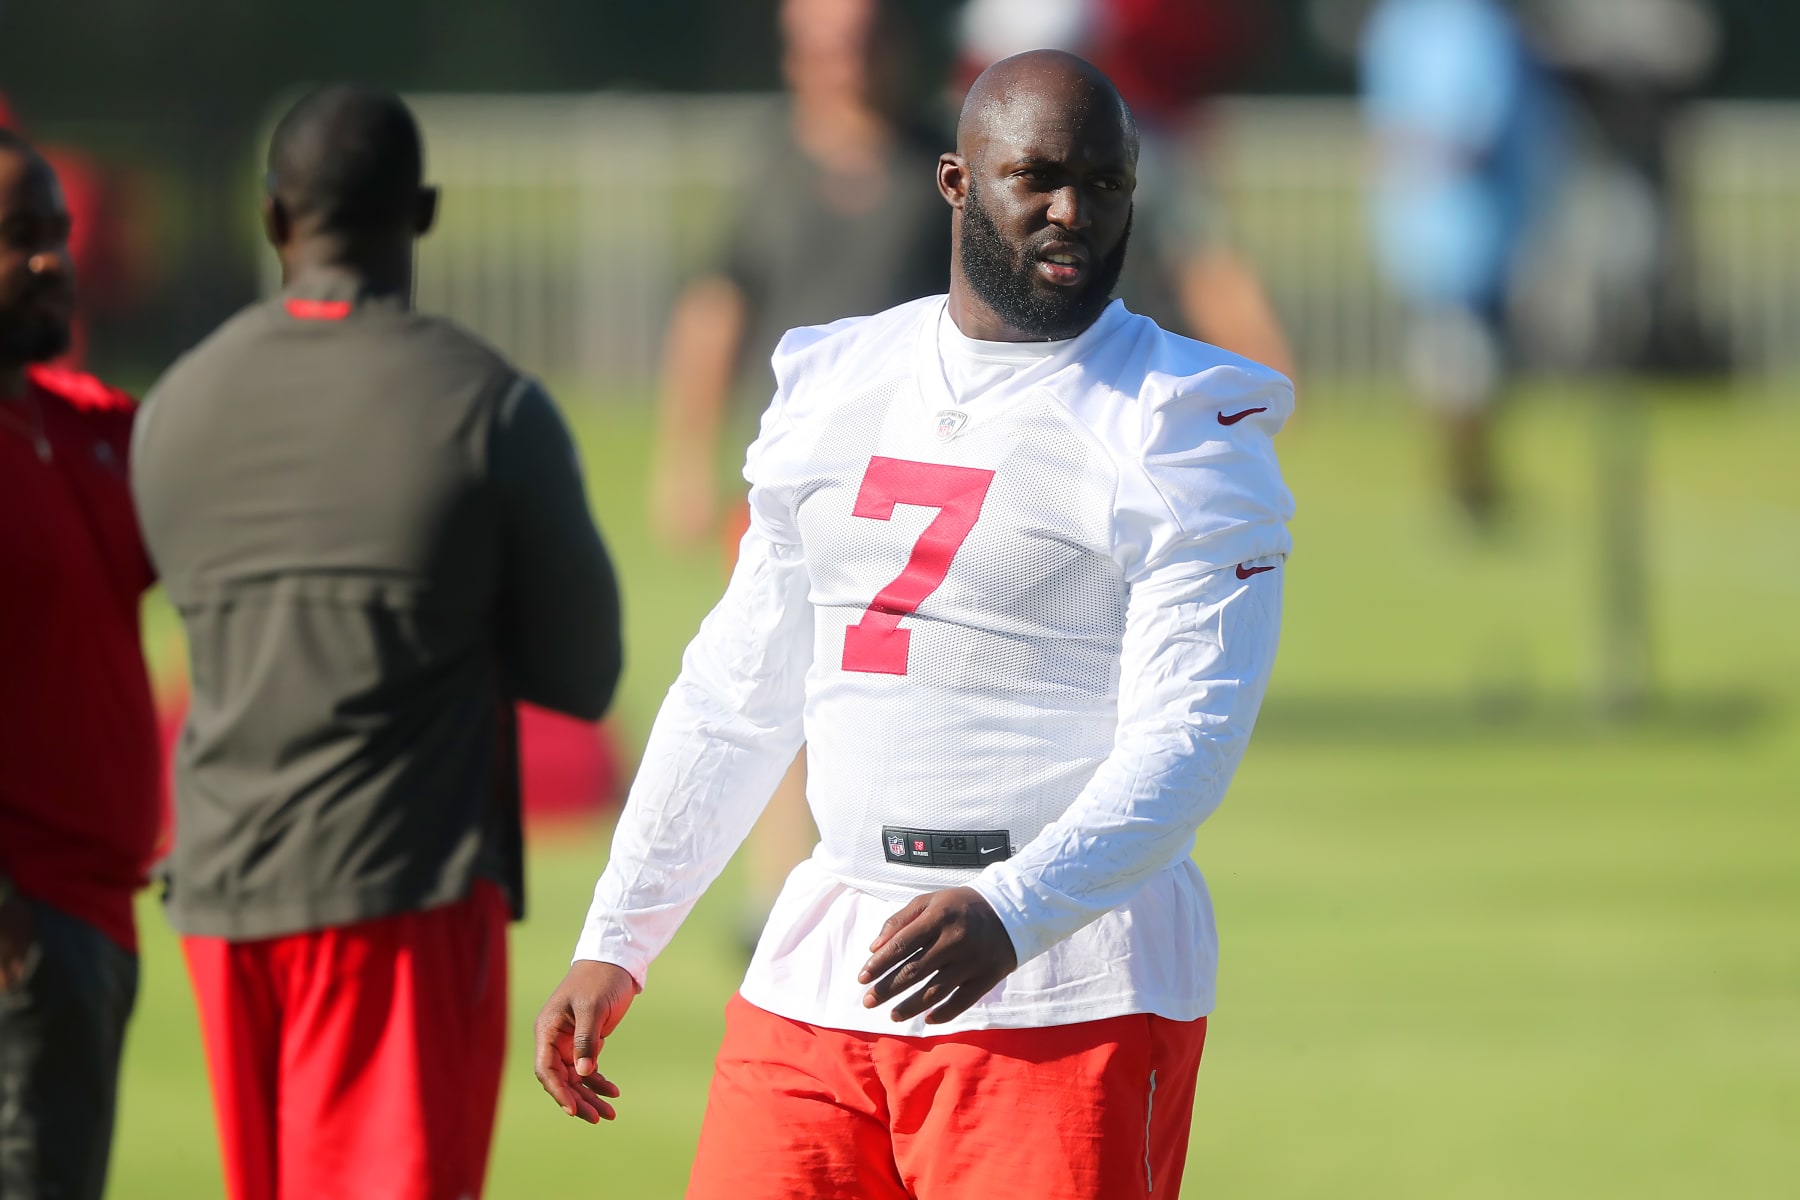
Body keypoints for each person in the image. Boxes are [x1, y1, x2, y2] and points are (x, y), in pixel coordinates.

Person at [536, 51, 1293, 1198]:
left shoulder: (1179, 421)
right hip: (830, 954)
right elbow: (738, 692)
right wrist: (618, 935)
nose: (1073, 210)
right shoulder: (837, 378)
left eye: (1106, 182)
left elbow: (1189, 739)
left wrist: (1017, 909)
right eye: (1038, 176)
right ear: (955, 181)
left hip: (1063, 976)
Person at [132, 85, 622, 1200]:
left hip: (220, 891)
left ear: (273, 215)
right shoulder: (488, 406)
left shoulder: (176, 404)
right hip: (401, 884)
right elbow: (583, 673)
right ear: (424, 211)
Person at [649, 0, 953, 943]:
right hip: (789, 485)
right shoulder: (769, 171)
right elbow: (714, 313)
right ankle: (776, 895)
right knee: (776, 684)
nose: (843, 66)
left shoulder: (941, 169)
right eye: (823, 49)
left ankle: (894, 883)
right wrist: (683, 458)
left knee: (905, 689)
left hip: (918, 485)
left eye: (859, 45)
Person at [0, 127, 159, 1200]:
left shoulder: (88, 425)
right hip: (22, 921)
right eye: (18, 235)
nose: (52, 257)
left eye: (57, 231)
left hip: (94, 919)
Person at [1358, 0, 1563, 524]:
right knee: (1463, 370)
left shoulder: (1409, 24)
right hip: (1460, 232)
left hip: (1448, 231)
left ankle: (1468, 486)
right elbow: (1470, 129)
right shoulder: (1468, 26)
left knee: (1462, 369)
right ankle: (1466, 488)